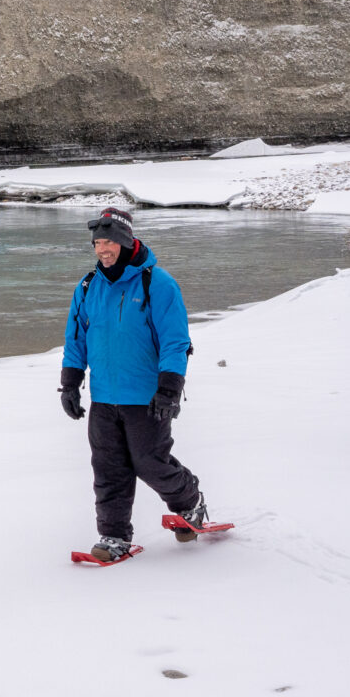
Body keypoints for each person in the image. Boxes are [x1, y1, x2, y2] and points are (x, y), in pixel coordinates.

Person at [59, 206, 212, 562]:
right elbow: (76, 339)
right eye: (97, 242)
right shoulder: (87, 287)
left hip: (146, 397)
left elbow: (175, 341)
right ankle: (113, 536)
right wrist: (70, 383)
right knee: (108, 469)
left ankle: (190, 503)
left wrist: (170, 388)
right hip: (104, 398)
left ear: (126, 241)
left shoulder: (157, 283)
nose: (102, 249)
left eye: (109, 241)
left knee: (150, 463)